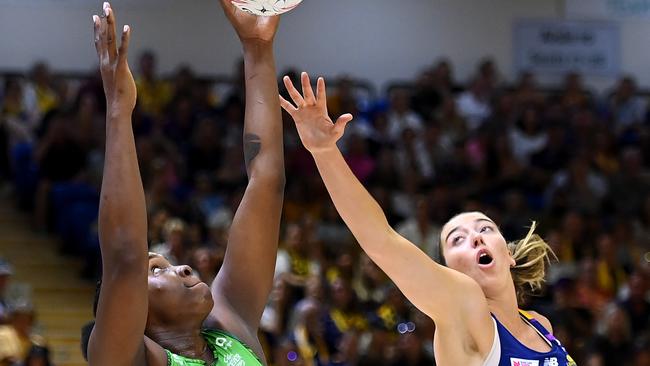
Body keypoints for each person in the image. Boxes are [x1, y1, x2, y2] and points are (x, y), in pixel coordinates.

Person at [279, 73, 576, 366]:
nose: (475, 236)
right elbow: (382, 241)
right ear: (447, 269)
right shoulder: (462, 307)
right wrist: (325, 152)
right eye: (457, 239)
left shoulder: (541, 326)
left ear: (508, 254)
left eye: (485, 228)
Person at [86, 1, 285, 365]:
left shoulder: (231, 328)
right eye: (158, 270)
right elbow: (127, 257)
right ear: (132, 314)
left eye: (165, 264)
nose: (184, 268)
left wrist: (257, 49)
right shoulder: (128, 357)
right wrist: (118, 111)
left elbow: (266, 183)